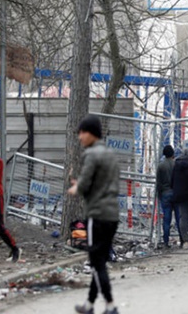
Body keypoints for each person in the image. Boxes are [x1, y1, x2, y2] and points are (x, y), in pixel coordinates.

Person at [68, 115, 120, 314]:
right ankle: (89, 305)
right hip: (112, 214)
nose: (80, 137)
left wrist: (76, 188)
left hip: (97, 214)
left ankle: (110, 305)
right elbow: (103, 183)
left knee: (96, 263)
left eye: (82, 132)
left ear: (91, 133)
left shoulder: (90, 154)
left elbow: (84, 185)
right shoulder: (111, 154)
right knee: (100, 261)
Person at [156, 145, 178, 248]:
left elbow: (159, 183)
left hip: (165, 193)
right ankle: (183, 239)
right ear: (173, 153)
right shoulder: (176, 165)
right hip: (175, 193)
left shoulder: (161, 166)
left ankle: (166, 241)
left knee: (166, 218)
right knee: (178, 217)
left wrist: (159, 195)